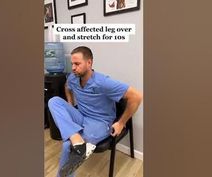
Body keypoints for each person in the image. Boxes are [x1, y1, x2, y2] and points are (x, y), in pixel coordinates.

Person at [48, 46, 142, 177]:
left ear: (89, 62)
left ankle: (71, 155)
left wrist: (121, 123)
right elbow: (67, 87)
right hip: (81, 116)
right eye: (72, 64)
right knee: (54, 101)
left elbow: (136, 96)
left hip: (101, 123)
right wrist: (70, 104)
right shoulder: (73, 78)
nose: (73, 68)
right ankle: (75, 137)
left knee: (67, 147)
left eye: (77, 64)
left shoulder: (103, 82)